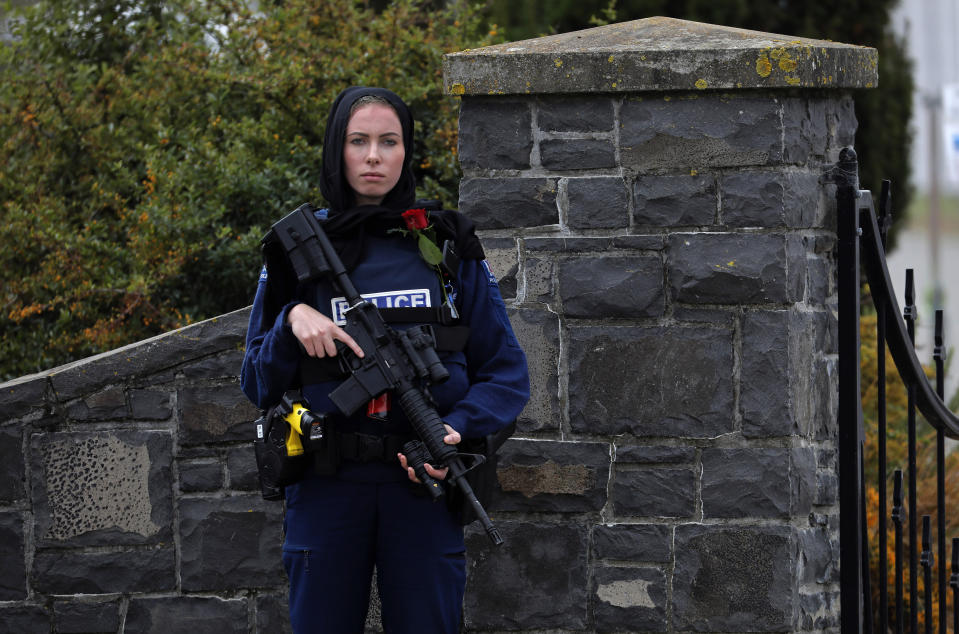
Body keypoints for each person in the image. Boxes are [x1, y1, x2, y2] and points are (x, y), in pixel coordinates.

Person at [240, 86, 530, 633]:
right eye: (358, 141)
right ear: (336, 150)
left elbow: (506, 375)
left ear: (406, 152)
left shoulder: (446, 245)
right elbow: (256, 381)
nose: (373, 156)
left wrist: (454, 431)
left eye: (388, 141)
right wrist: (290, 322)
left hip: (422, 484)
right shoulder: (296, 251)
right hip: (327, 485)